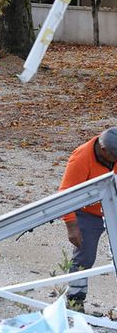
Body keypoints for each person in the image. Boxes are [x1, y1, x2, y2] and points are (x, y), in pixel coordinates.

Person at [60, 127, 117, 312]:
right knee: (85, 257)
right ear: (103, 150)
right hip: (88, 213)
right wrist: (71, 225)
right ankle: (75, 302)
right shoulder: (81, 158)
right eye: (114, 157)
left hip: (113, 206)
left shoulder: (113, 152)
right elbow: (65, 195)